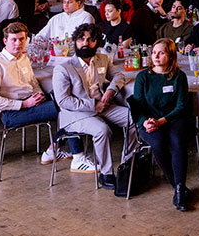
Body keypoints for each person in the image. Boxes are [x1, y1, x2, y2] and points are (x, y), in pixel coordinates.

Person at [0, 22, 81, 165]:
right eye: (14, 40)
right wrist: (23, 104)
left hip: (30, 102)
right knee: (67, 108)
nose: (18, 43)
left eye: (21, 39)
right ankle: (76, 156)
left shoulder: (24, 58)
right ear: (5, 41)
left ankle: (54, 149)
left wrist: (39, 93)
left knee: (68, 100)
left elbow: (33, 83)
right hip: (10, 113)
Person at [53, 23, 138, 191]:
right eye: (81, 39)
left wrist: (111, 91)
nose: (85, 43)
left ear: (96, 42)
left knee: (134, 118)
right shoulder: (63, 68)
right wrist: (94, 105)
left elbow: (119, 75)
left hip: (103, 106)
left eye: (90, 39)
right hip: (76, 113)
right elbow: (64, 101)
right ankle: (106, 173)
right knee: (102, 130)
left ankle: (127, 164)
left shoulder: (102, 59)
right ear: (75, 42)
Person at [130, 38, 194, 211]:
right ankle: (178, 186)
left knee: (177, 141)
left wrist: (162, 121)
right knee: (158, 142)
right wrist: (145, 122)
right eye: (154, 53)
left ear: (171, 55)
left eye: (161, 53)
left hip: (173, 119)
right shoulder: (143, 77)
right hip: (149, 121)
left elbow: (182, 106)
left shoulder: (179, 76)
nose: (156, 56)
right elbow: (138, 106)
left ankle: (179, 189)